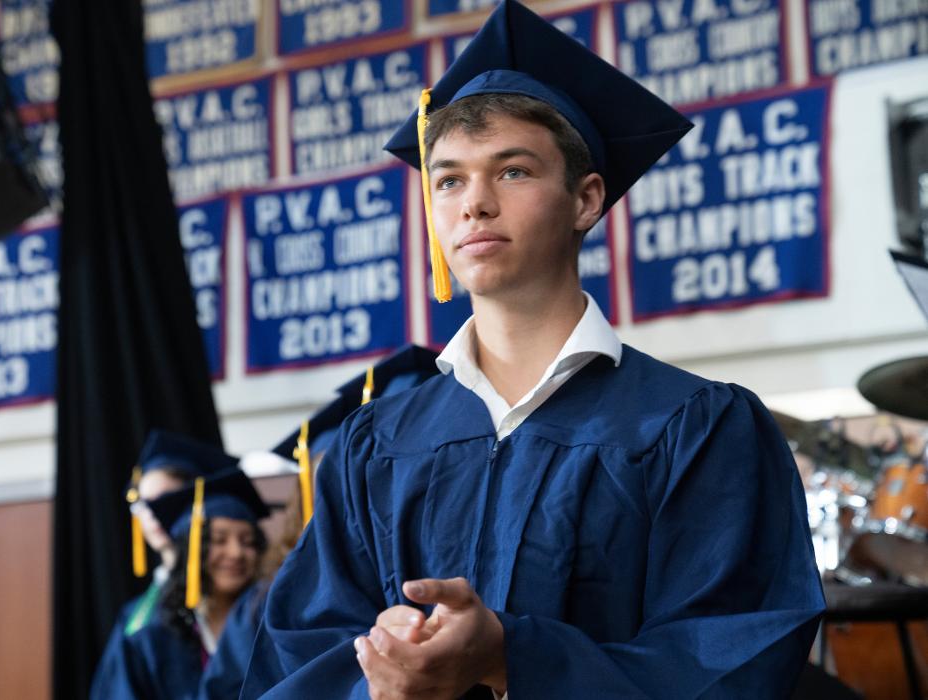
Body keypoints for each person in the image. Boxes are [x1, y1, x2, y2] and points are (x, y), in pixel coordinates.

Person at [241, 2, 825, 698]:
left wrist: (512, 658)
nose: (473, 203)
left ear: (586, 198)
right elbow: (300, 656)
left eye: (512, 171)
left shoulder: (698, 428)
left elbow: (732, 658)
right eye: (449, 178)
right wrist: (386, 678)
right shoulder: (377, 443)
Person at [90, 430, 236, 698]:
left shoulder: (242, 595)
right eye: (144, 504)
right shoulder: (136, 618)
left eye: (167, 499)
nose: (153, 514)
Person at [112, 468, 270, 699]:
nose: (236, 553)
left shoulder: (270, 621)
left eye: (248, 542)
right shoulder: (153, 637)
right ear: (190, 551)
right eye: (218, 540)